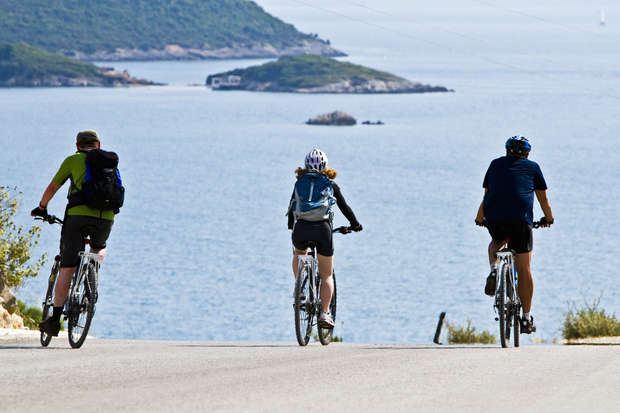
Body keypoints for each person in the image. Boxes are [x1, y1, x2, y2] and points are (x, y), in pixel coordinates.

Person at [31, 130, 117, 337]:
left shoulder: (73, 159)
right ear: (98, 144)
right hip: (106, 217)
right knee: (100, 248)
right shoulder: (109, 162)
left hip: (77, 217)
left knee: (67, 268)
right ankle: (92, 274)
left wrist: (42, 207)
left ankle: (54, 320)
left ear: (77, 145)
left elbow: (53, 187)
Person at [475, 136, 553, 334]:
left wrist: (479, 218)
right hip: (520, 221)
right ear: (527, 153)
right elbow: (543, 199)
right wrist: (548, 218)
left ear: (507, 151)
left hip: (495, 218)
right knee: (524, 267)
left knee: (496, 242)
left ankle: (494, 269)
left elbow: (488, 195)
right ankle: (526, 318)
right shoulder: (533, 167)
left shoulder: (494, 165)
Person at [287, 149, 362, 329]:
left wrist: (292, 225)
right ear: (325, 166)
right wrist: (355, 224)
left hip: (301, 229)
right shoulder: (330, 184)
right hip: (322, 230)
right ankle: (325, 313)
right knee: (326, 274)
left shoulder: (299, 183)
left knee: (298, 253)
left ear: (305, 165)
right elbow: (345, 208)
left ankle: (300, 290)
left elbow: (291, 208)